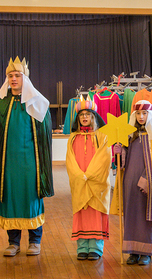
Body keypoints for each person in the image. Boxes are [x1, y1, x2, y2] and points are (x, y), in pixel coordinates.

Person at [0, 57, 54, 257]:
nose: (13, 79)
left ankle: (35, 241)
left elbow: (45, 140)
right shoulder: (1, 104)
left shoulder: (38, 103)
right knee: (10, 199)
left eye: (17, 75)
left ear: (25, 78)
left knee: (31, 199)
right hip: (8, 164)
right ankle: (13, 242)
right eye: (10, 75)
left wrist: (41, 166)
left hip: (31, 163)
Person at [111, 100, 152, 266]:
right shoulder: (131, 135)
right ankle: (133, 251)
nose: (141, 116)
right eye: (138, 113)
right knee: (132, 214)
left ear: (149, 115)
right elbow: (124, 158)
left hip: (149, 181)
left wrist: (147, 178)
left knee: (148, 216)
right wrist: (119, 151)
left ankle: (147, 252)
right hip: (130, 180)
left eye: (144, 113)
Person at [66, 100, 111, 260]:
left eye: (88, 115)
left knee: (95, 212)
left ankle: (96, 248)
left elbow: (104, 158)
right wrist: (79, 176)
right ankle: (82, 247)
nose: (84, 117)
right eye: (81, 115)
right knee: (81, 212)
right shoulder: (73, 137)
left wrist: (89, 175)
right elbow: (69, 159)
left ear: (94, 117)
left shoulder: (102, 136)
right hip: (79, 182)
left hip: (96, 183)